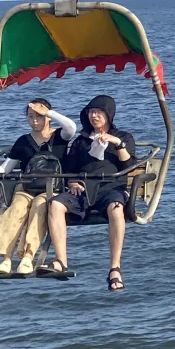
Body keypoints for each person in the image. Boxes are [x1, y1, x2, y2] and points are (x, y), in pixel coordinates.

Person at [43, 94, 136, 290]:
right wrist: (72, 182)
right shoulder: (81, 141)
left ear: (109, 115)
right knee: (55, 204)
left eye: (99, 112)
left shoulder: (124, 137)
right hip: (83, 190)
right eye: (91, 112)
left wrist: (117, 143)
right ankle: (60, 261)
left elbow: (129, 164)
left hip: (111, 188)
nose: (94, 116)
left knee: (116, 209)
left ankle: (115, 268)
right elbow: (68, 168)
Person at [0, 98, 76, 278]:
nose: (35, 121)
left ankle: (27, 257)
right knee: (17, 208)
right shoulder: (23, 141)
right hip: (27, 187)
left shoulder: (59, 136)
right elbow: (5, 167)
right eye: (31, 117)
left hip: (50, 188)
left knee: (40, 207)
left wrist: (48, 112)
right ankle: (6, 257)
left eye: (39, 116)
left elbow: (72, 127)